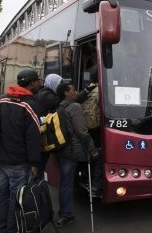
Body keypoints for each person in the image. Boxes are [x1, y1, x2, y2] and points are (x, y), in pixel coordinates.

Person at [0, 68, 43, 233]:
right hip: (19, 162)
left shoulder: (2, 101)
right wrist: (34, 163)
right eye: (37, 81)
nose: (39, 83)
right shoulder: (30, 105)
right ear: (31, 82)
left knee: (1, 196)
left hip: (1, 160)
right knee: (16, 199)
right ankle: (11, 229)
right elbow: (33, 138)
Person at [54, 82, 100, 228]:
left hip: (63, 151)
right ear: (66, 93)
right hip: (75, 151)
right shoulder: (75, 107)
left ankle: (65, 215)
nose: (76, 92)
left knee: (65, 183)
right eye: (73, 90)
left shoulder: (60, 105)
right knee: (100, 156)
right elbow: (82, 132)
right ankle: (95, 186)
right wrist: (93, 150)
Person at [35, 73, 97, 181]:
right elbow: (81, 130)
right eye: (59, 83)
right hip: (54, 142)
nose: (60, 85)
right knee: (42, 172)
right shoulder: (51, 98)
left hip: (49, 140)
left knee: (64, 180)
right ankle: (36, 194)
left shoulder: (43, 94)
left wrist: (86, 91)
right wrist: (92, 150)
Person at [81, 66, 103, 197]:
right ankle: (95, 184)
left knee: (92, 154)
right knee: (99, 155)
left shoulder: (87, 90)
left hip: (88, 127)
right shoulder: (101, 91)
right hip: (98, 128)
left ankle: (89, 181)